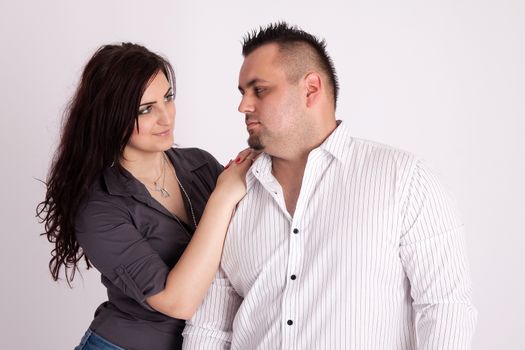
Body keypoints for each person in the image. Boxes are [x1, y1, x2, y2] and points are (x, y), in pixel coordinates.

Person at [182, 22, 477, 349]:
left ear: (310, 89)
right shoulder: (232, 195)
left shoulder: (404, 179)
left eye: (260, 90)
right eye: (243, 93)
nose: (243, 106)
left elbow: (445, 309)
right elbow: (210, 328)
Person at [37, 43, 254, 350]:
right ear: (111, 117)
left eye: (168, 98)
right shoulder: (98, 206)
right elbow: (178, 302)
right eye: (146, 109)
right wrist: (223, 195)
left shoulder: (200, 165)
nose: (166, 118)